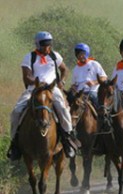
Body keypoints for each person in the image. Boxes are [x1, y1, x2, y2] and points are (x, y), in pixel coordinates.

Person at [7, 31, 80, 160]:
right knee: (16, 111)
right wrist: (36, 82)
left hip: (52, 89)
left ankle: (68, 138)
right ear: (37, 44)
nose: (47, 47)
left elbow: (64, 69)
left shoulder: (55, 56)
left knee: (63, 109)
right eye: (44, 45)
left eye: (49, 44)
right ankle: (14, 143)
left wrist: (61, 81)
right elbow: (26, 76)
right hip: (33, 89)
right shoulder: (29, 57)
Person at [71, 43, 107, 108]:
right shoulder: (75, 69)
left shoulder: (94, 64)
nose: (80, 56)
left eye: (82, 54)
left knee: (97, 103)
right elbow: (74, 84)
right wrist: (73, 87)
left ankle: (103, 117)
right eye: (78, 54)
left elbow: (104, 77)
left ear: (86, 53)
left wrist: (94, 82)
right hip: (80, 94)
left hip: (92, 91)